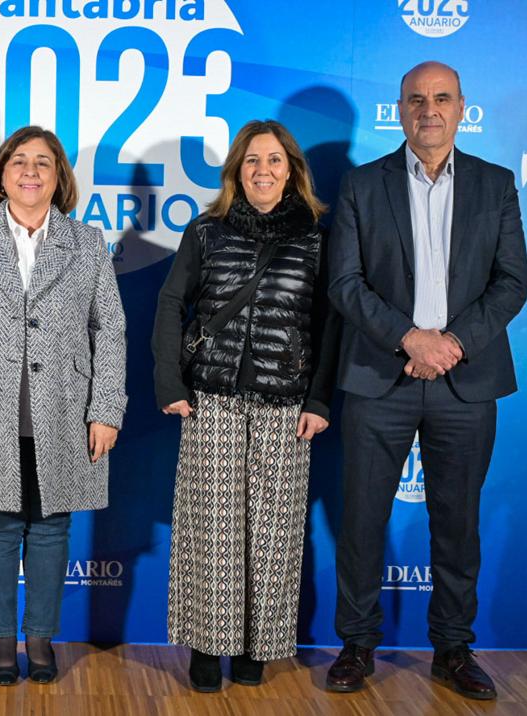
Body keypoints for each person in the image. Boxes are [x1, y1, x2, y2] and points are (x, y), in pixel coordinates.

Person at [325, 61, 527, 700]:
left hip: (466, 379)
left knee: (458, 520)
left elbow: (512, 283)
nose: (429, 110)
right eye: (417, 100)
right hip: (379, 374)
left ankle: (453, 650)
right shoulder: (361, 184)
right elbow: (344, 283)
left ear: (462, 108)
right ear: (400, 109)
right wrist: (410, 339)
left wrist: (453, 343)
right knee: (359, 519)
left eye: (441, 99)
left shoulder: (496, 185)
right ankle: (356, 645)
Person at [0, 126, 127, 685]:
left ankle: (40, 638)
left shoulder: (86, 242)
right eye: (19, 161)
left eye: (44, 162)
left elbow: (109, 329)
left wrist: (106, 408)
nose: (31, 171)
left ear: (60, 176)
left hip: (65, 413)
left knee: (50, 529)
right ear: (1, 174)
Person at [152, 120, 339, 692]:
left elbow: (330, 323)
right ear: (236, 170)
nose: (263, 170)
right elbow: (169, 303)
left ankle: (259, 645)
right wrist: (169, 384)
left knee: (275, 532)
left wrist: (320, 398)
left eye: (275, 160)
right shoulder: (206, 231)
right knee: (211, 532)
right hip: (213, 401)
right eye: (252, 160)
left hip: (288, 407)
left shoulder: (318, 236)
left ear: (293, 171)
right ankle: (209, 647)